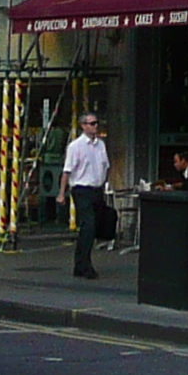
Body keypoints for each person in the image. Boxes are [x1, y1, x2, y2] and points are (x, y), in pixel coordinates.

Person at [63, 113, 112, 278]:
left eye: (96, 123)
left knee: (93, 227)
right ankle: (85, 265)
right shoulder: (75, 146)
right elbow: (67, 171)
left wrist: (105, 183)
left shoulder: (101, 145)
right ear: (83, 126)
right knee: (88, 226)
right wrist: (61, 193)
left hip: (97, 189)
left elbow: (106, 166)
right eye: (91, 124)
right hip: (82, 189)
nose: (95, 126)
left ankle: (79, 264)